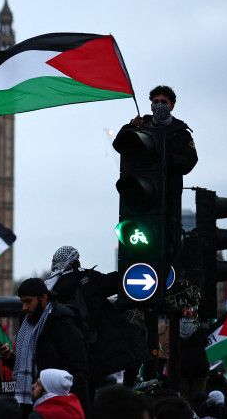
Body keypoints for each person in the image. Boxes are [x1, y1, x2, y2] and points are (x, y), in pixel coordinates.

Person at [46, 246, 150, 386]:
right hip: (98, 347)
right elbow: (116, 281)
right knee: (137, 335)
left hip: (67, 352)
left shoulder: (52, 288)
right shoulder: (87, 278)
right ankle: (129, 387)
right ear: (76, 262)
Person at [0, 278, 89, 417]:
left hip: (58, 406)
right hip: (31, 402)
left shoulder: (63, 321)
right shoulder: (27, 322)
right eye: (22, 302)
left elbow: (79, 369)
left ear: (43, 298)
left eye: (28, 301)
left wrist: (80, 410)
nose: (24, 308)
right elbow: (30, 366)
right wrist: (9, 358)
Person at [124, 85, 197, 218]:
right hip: (141, 193)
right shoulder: (140, 126)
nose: (159, 105)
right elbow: (121, 145)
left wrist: (164, 156)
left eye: (164, 102)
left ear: (172, 106)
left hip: (169, 198)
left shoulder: (182, 133)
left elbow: (189, 162)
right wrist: (131, 127)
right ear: (151, 106)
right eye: (156, 102)